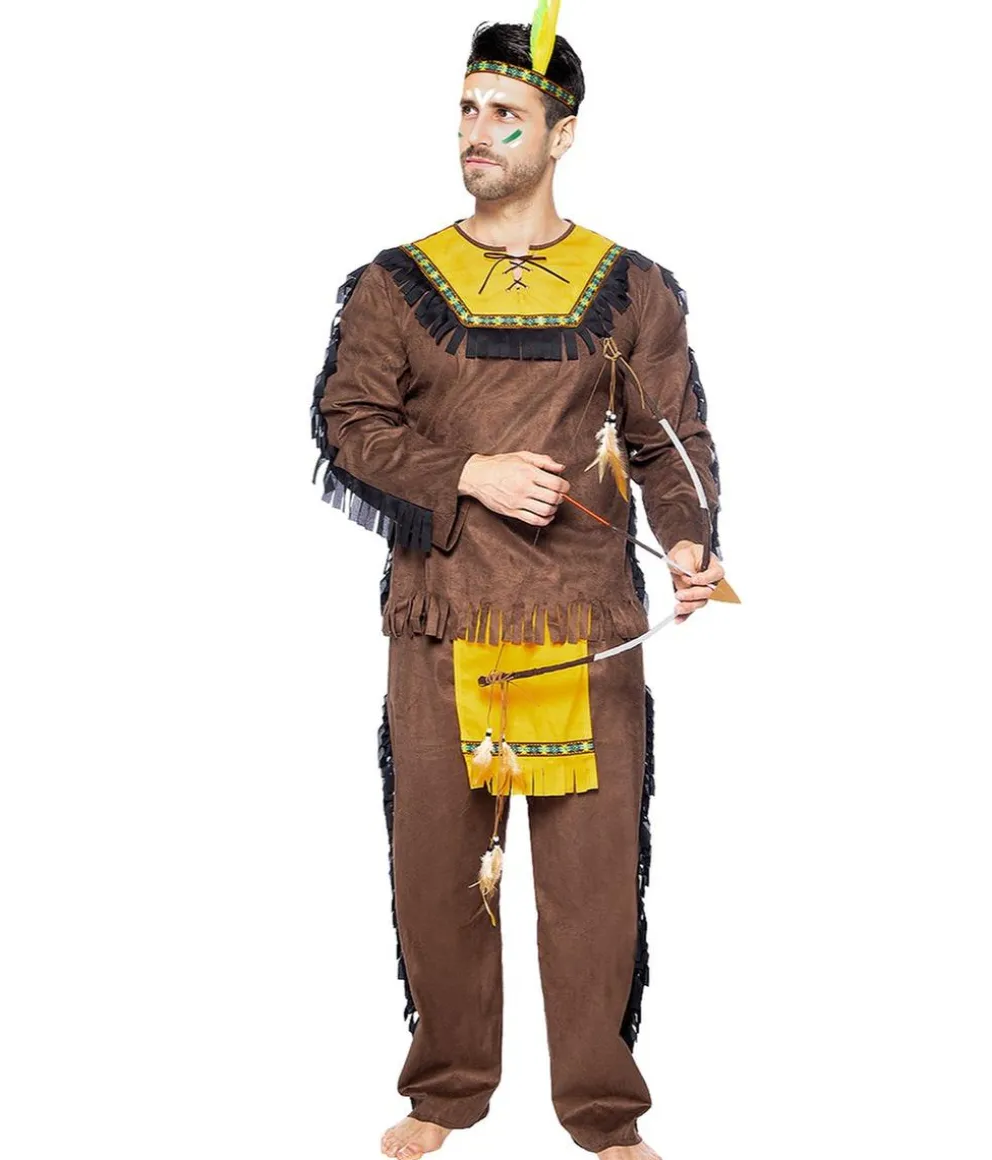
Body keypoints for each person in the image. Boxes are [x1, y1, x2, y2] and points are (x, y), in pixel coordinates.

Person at [309, 10, 733, 1159]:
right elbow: (349, 423)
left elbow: (667, 437)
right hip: (443, 618)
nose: (476, 131)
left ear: (561, 133)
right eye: (465, 108)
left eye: (504, 113)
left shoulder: (629, 286)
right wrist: (467, 472)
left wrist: (687, 540)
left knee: (591, 879)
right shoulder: (397, 284)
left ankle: (602, 1109)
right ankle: (445, 1088)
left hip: (581, 621)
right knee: (442, 870)